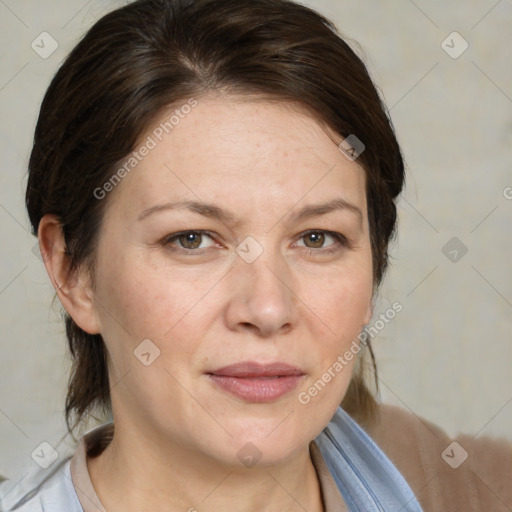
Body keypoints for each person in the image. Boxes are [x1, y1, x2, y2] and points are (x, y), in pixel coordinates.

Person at [0, 0, 511, 511]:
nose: (268, 308)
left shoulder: (469, 486)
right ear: (73, 271)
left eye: (317, 238)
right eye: (192, 239)